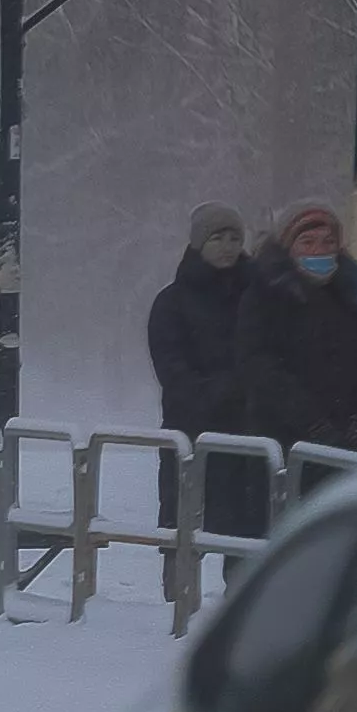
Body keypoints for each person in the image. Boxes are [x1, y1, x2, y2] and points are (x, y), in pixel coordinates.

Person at [148, 203, 260, 551]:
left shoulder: (258, 297)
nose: (227, 246)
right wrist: (222, 392)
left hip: (251, 435)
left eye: (234, 237)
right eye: (217, 238)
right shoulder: (172, 303)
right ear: (198, 243)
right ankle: (177, 597)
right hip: (194, 431)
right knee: (185, 533)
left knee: (250, 537)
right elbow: (172, 370)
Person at [237, 199, 357, 462]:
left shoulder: (355, 293)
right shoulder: (264, 295)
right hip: (285, 444)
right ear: (289, 248)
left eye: (328, 242)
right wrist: (311, 422)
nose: (319, 251)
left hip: (350, 444)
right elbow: (260, 366)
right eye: (308, 242)